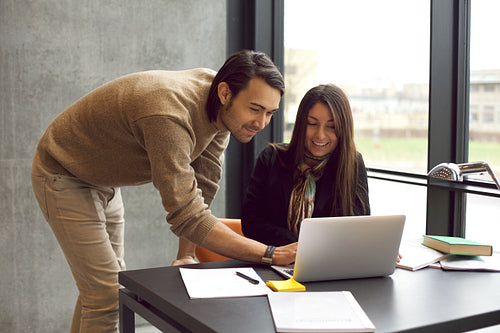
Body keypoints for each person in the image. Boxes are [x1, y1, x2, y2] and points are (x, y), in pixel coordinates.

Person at [31, 49, 297, 333]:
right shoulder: (169, 115)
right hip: (63, 173)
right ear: (224, 93)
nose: (261, 123)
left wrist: (186, 254)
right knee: (105, 294)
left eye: (270, 113)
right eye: (255, 109)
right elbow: (187, 214)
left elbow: (202, 185)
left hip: (102, 180)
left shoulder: (221, 111)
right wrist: (270, 253)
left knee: (100, 292)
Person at [241, 84, 370, 246]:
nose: (320, 135)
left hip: (330, 265)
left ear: (343, 129)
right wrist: (301, 246)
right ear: (301, 123)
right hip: (271, 260)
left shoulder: (352, 164)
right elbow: (250, 223)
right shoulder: (271, 158)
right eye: (312, 123)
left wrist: (373, 244)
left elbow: (360, 228)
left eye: (331, 126)